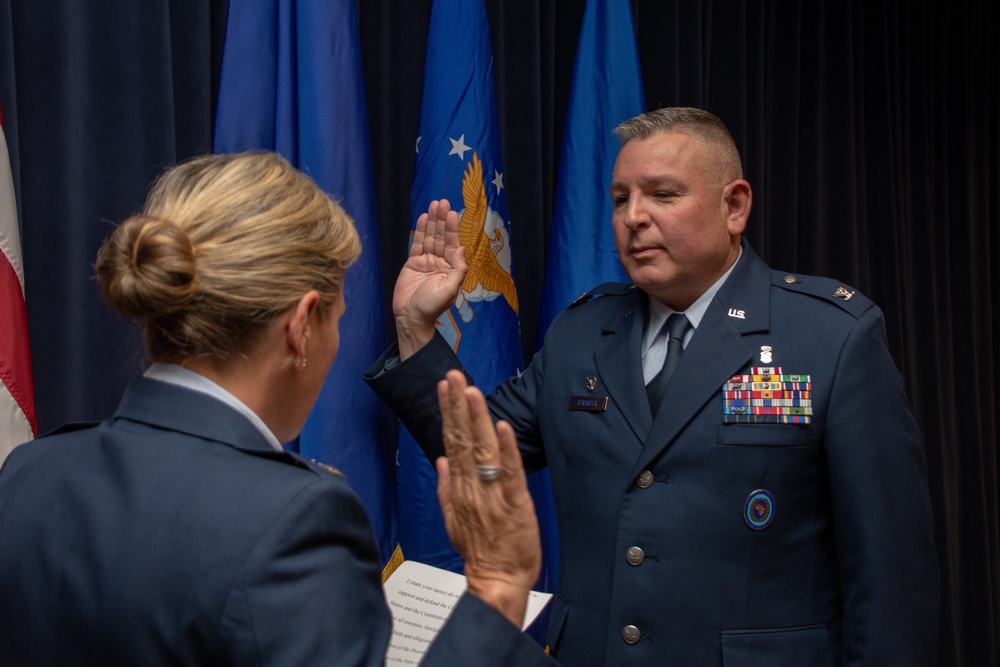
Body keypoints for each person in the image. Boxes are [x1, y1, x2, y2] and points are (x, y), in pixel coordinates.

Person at [365, 107, 940, 665]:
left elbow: (892, 578)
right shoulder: (582, 333)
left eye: (662, 195)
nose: (634, 216)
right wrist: (418, 328)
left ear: (734, 206)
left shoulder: (828, 337)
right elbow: (478, 457)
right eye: (621, 199)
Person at [0, 152, 555, 666]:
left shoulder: (28, 473)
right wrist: (499, 589)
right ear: (300, 326)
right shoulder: (295, 520)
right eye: (338, 317)